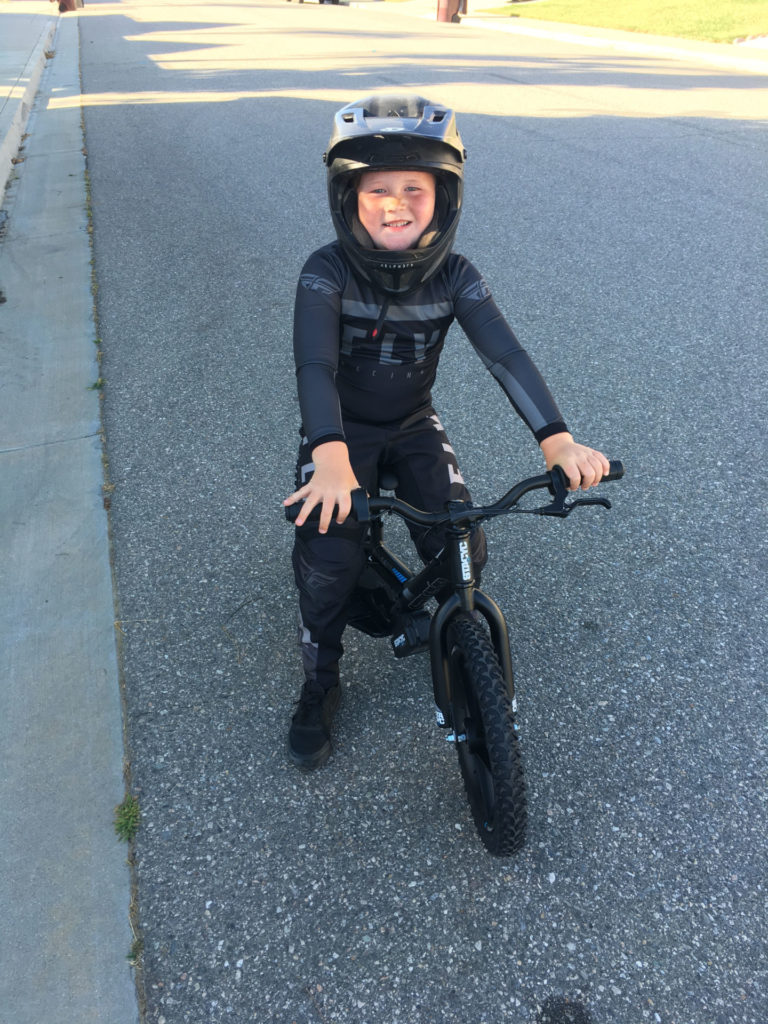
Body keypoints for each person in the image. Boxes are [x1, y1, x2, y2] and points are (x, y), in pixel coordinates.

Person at [283, 93, 609, 769]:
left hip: (412, 422)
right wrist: (331, 458)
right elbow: (314, 364)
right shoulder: (326, 271)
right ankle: (319, 681)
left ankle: (420, 615)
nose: (395, 202)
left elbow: (506, 354)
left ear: (446, 197)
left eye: (413, 188)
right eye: (376, 189)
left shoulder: (457, 275)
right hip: (339, 434)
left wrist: (558, 440)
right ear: (348, 198)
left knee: (465, 544)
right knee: (329, 560)